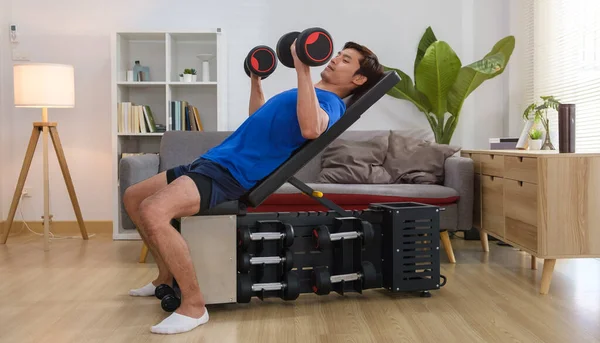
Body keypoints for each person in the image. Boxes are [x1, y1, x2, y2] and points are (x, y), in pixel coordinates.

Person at [123, 40, 384, 335]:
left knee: (153, 210)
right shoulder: (308, 94)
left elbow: (312, 129)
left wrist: (302, 67)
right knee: (134, 197)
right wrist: (256, 81)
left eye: (345, 59)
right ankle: (163, 278)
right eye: (338, 54)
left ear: (358, 79)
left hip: (232, 173)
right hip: (214, 161)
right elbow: (257, 118)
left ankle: (194, 307)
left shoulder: (329, 103)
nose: (335, 59)